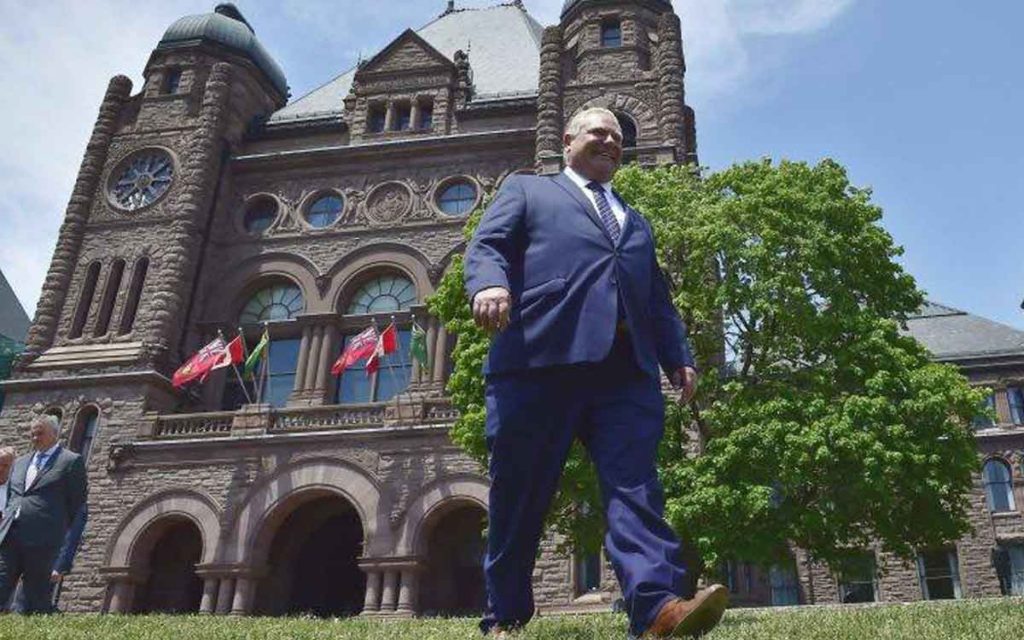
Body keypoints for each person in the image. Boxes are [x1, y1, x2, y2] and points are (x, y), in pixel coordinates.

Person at [464, 107, 727, 638]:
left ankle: (656, 609)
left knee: (636, 488)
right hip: (540, 360)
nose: (610, 141)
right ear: (567, 141)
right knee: (520, 494)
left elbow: (656, 296)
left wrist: (679, 356)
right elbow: (487, 245)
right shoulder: (527, 190)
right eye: (598, 132)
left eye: (617, 136)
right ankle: (505, 615)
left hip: (625, 373)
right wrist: (489, 284)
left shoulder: (636, 220)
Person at [0, 415, 87, 613]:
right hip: (10, 537)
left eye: (40, 434)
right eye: (32, 434)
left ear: (54, 435)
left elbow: (78, 510)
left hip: (44, 543)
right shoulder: (20, 462)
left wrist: (63, 558)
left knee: (32, 603)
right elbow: (13, 499)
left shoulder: (70, 462)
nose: (34, 438)